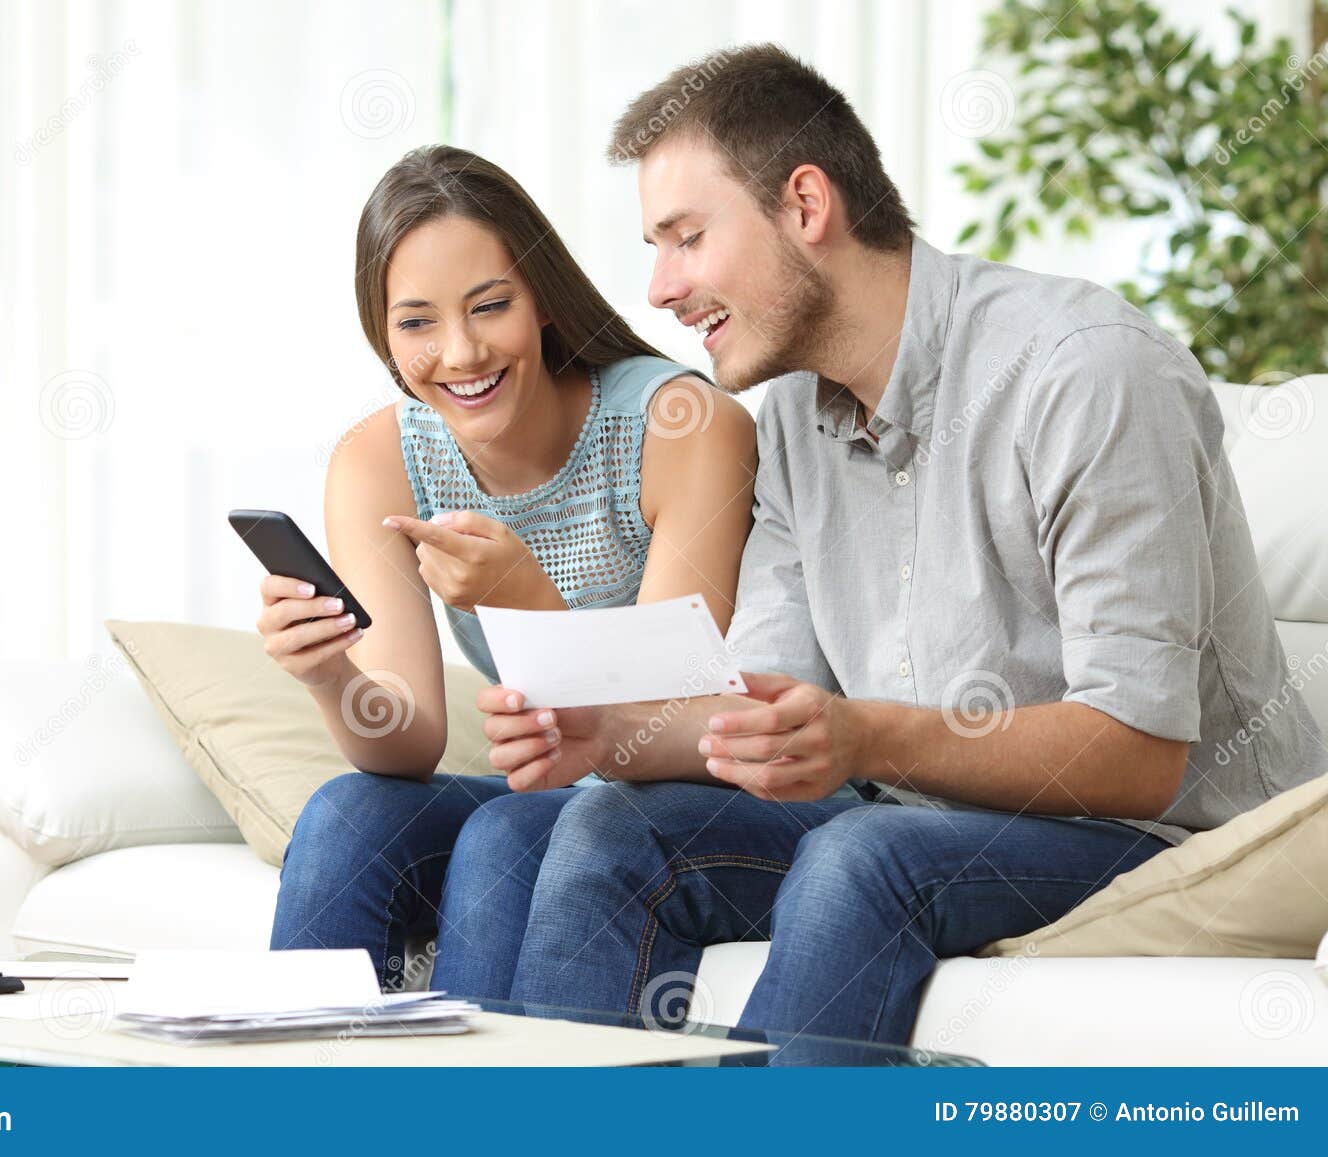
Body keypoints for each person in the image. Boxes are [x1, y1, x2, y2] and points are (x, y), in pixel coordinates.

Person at [475, 44, 1328, 1044]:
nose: (659, 288)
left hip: (1166, 838)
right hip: (918, 820)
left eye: (686, 237)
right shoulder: (791, 416)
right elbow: (765, 691)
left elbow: (1137, 752)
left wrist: (867, 735)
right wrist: (612, 731)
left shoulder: (1084, 373)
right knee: (604, 825)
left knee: (863, 856)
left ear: (804, 204)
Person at [264, 144, 802, 996]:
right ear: (383, 333)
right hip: (559, 792)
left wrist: (523, 596)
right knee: (345, 814)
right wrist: (330, 673)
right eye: (416, 324)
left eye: (490, 306)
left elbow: (671, 710)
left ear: (541, 298)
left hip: (683, 792)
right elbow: (409, 745)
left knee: (507, 833)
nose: (461, 352)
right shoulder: (380, 461)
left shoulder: (682, 423)